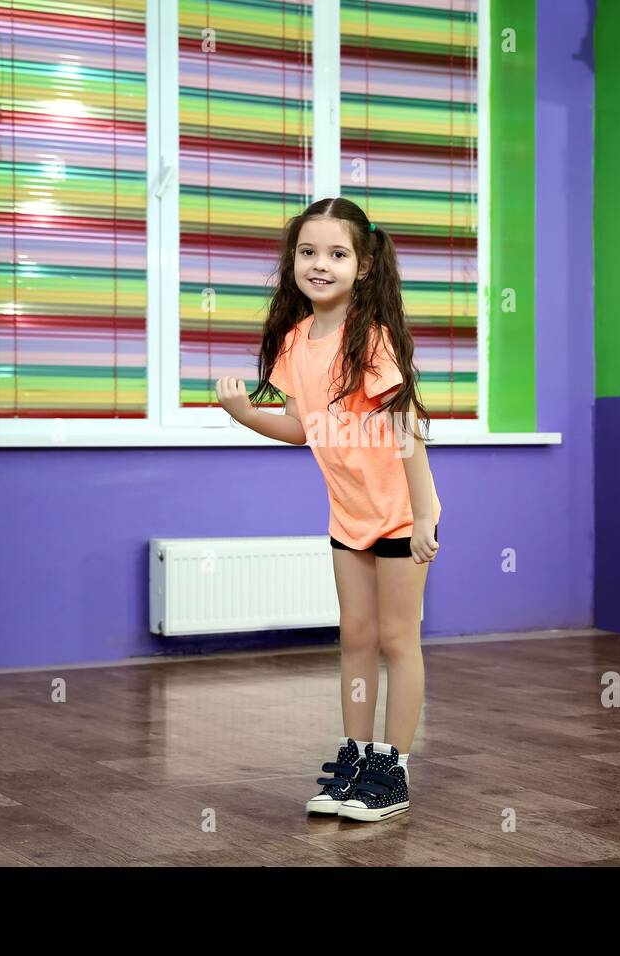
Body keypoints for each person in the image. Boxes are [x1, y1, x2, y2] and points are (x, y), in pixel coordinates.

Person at [216, 197, 443, 823]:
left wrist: (426, 513)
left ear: (363, 267)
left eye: (337, 254)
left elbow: (405, 428)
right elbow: (300, 426)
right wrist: (243, 414)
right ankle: (355, 754)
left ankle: (390, 770)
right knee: (355, 641)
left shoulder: (368, 339)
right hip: (348, 517)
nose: (320, 264)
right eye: (308, 252)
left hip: (398, 514)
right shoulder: (295, 341)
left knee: (399, 641)